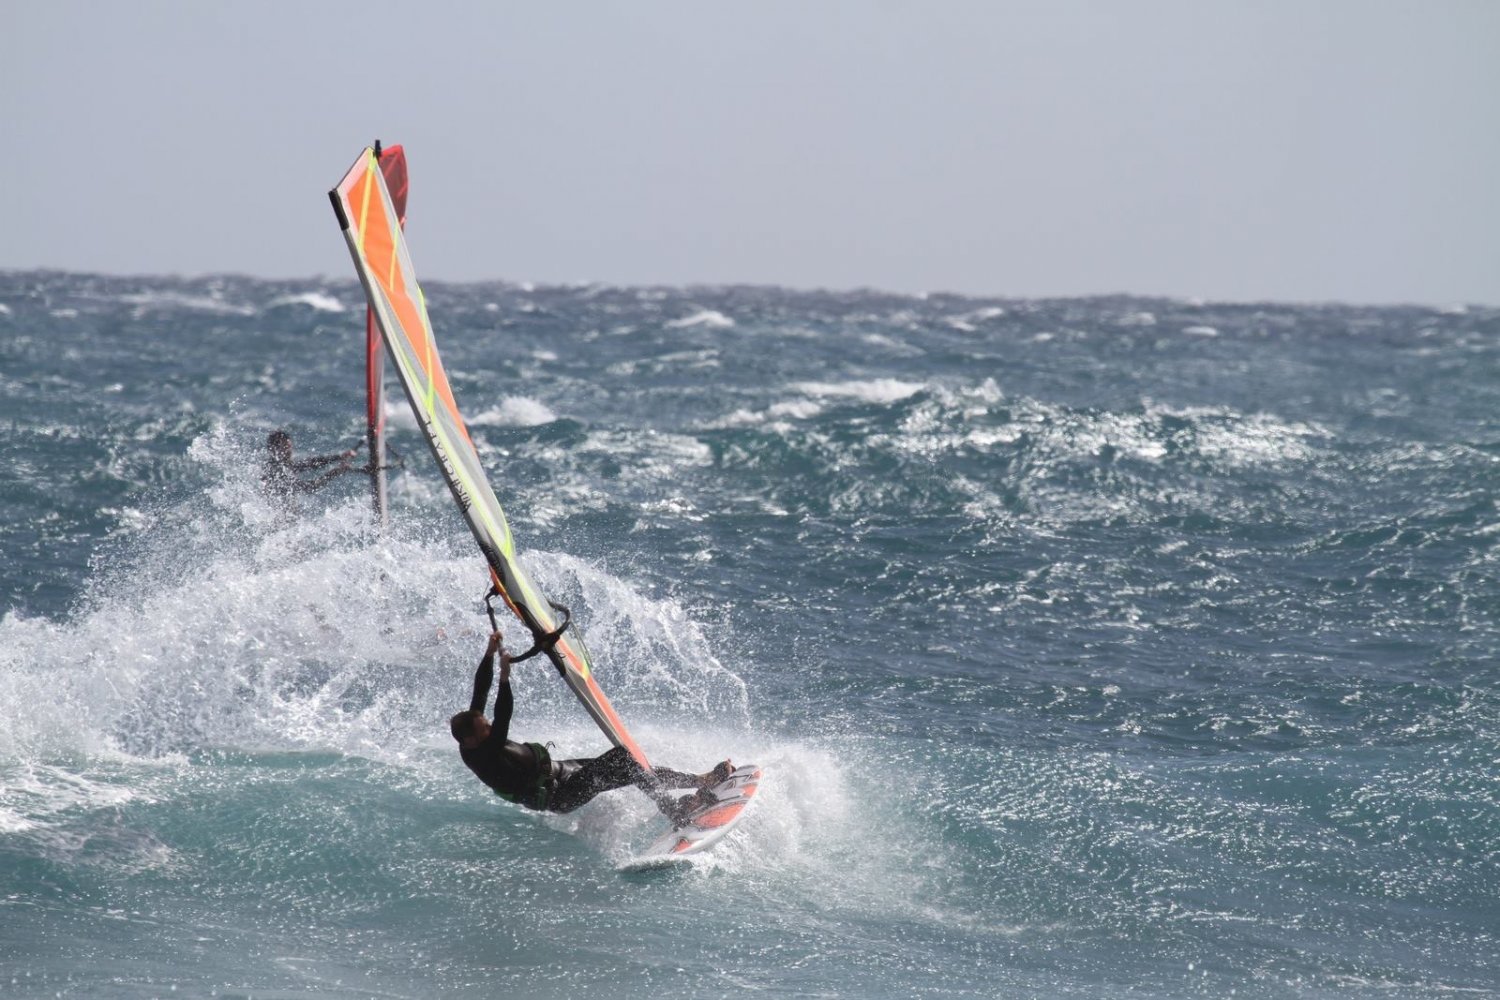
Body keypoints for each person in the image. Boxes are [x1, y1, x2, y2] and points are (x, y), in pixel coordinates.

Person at [450, 631, 731, 824]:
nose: (487, 725)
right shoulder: (483, 754)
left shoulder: (474, 734)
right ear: (470, 740)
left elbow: (480, 694)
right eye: (483, 728)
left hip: (560, 771)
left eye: (485, 723)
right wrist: (505, 677)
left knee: (633, 767)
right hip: (559, 794)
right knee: (623, 757)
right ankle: (674, 811)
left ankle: (700, 781)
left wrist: (489, 654)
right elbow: (503, 716)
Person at [260, 429, 359, 512]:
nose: (290, 451)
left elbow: (311, 463)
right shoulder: (276, 472)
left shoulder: (280, 465)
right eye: (286, 448)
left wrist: (339, 457)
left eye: (290, 447)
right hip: (281, 525)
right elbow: (310, 487)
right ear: (273, 449)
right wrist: (336, 472)